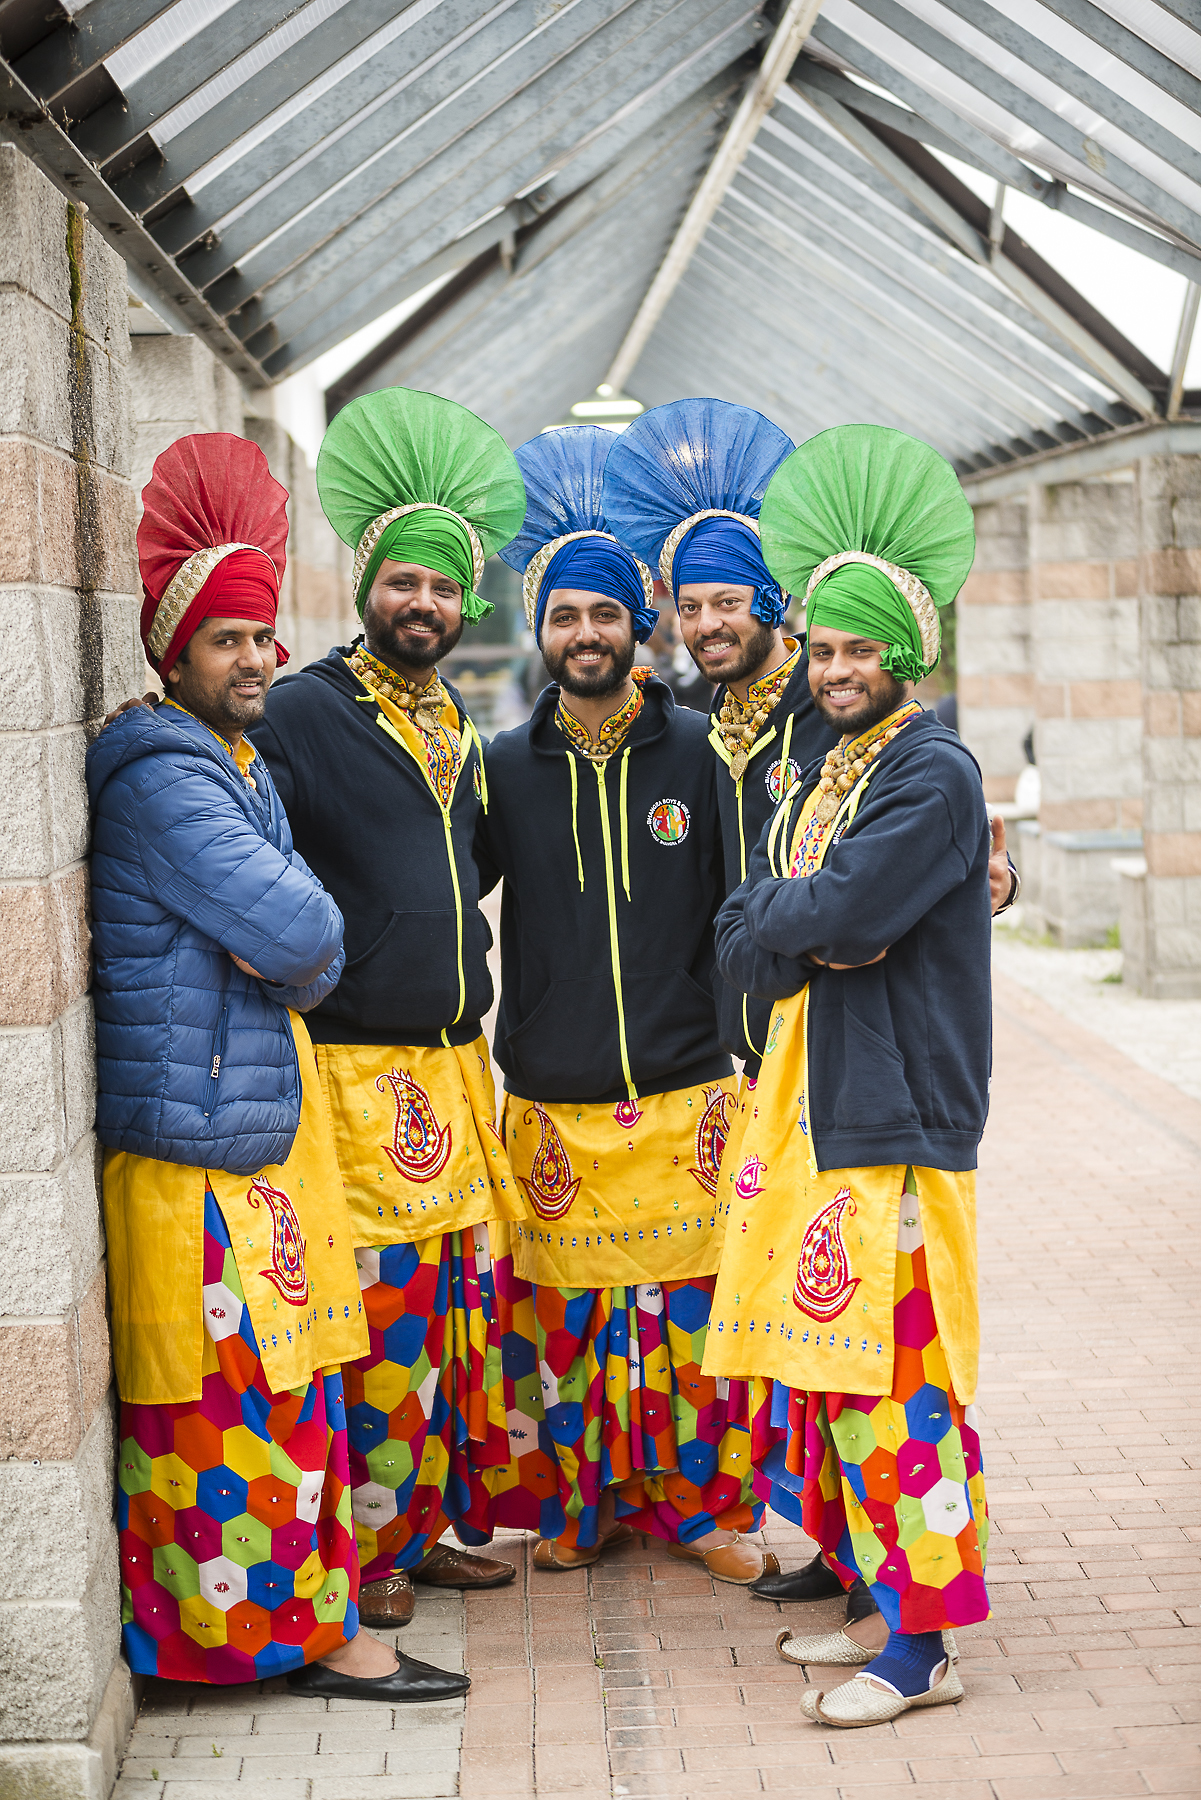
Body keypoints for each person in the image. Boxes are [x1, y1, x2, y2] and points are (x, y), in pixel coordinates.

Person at [90, 433, 465, 1701]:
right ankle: (268, 1647)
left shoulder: (231, 760)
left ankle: (300, 1633)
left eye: (261, 637)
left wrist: (288, 952)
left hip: (244, 1138)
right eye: (225, 642)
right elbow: (308, 931)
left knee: (287, 1401)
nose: (253, 661)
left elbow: (292, 932)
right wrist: (295, 956)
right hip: (200, 1154)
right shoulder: (160, 776)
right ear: (173, 652)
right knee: (233, 1415)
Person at [704, 424, 992, 1726]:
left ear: (906, 655)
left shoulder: (933, 771)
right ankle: (881, 1597)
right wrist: (789, 914)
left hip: (894, 1116)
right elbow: (796, 913)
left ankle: (925, 1649)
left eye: (859, 648)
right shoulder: (821, 765)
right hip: (814, 1107)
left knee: (901, 1381)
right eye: (820, 647)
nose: (834, 670)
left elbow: (850, 914)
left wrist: (778, 915)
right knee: (830, 1377)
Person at [248, 388, 527, 1632]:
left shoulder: (452, 713)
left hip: (455, 1063)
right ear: (367, 582)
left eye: (443, 587)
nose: (423, 603)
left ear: (467, 604)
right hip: (358, 1072)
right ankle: (366, 1556)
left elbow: (463, 864)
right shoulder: (304, 708)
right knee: (380, 1326)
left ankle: (423, 1530)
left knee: (449, 1319)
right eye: (403, 582)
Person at [477, 425, 776, 1582]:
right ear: (541, 629)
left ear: (637, 626)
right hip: (552, 1092)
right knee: (574, 1332)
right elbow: (439, 893)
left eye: (606, 614)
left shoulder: (702, 754)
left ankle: (705, 1512)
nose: (587, 634)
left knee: (690, 1328)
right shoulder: (497, 765)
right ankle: (583, 1506)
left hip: (689, 1083)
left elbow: (750, 902)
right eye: (565, 615)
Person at [603, 398, 839, 1081]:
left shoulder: (831, 714)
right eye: (689, 606)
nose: (705, 624)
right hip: (751, 1061)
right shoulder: (703, 734)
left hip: (837, 1049)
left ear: (769, 602)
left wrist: (990, 884)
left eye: (728, 603)